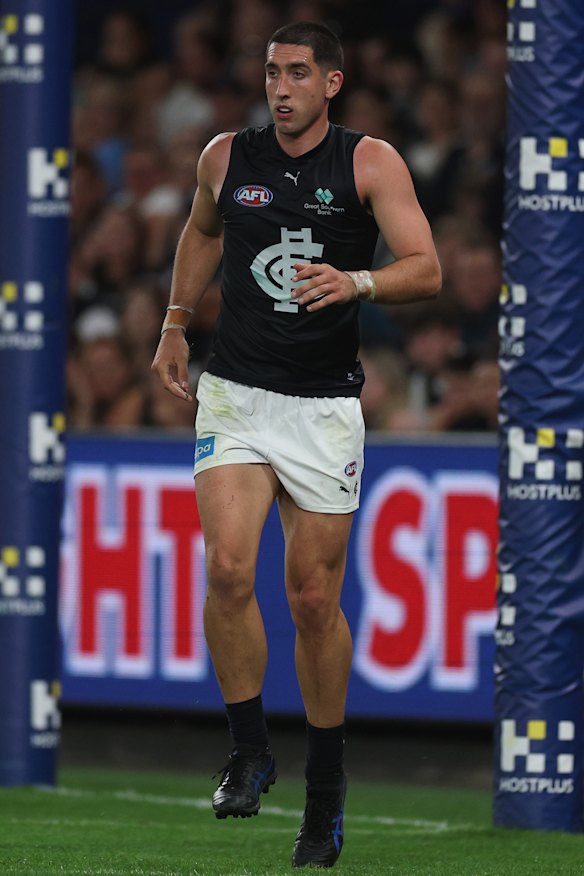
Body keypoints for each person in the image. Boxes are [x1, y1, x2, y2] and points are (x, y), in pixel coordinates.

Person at [151, 20, 441, 869]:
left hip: (321, 409)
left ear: (333, 83)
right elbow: (203, 231)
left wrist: (356, 280)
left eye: (298, 73)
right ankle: (248, 749)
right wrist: (175, 321)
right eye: (272, 72)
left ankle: (325, 795)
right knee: (227, 568)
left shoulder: (369, 162)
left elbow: (425, 266)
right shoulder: (223, 158)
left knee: (314, 601)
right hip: (236, 394)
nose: (280, 87)